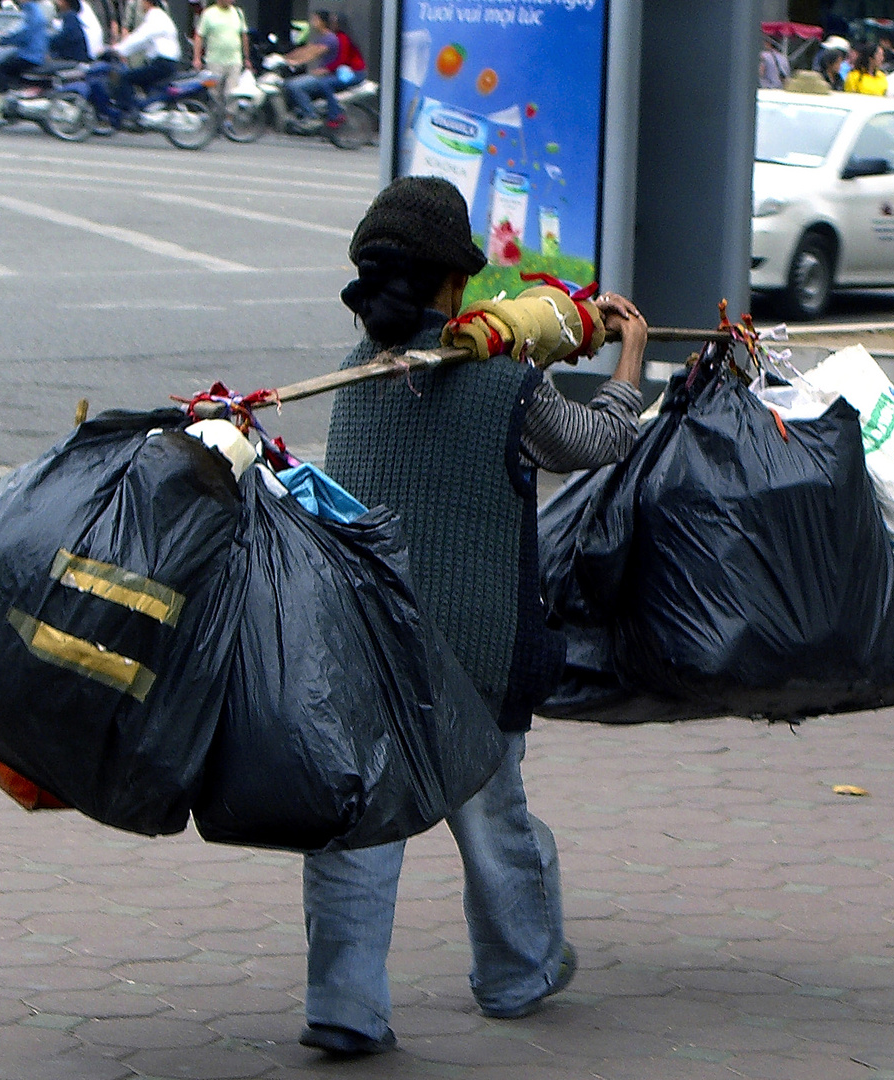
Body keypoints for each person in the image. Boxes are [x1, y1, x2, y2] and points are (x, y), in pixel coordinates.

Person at [298, 175, 648, 1057]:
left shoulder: (352, 376)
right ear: (453, 287)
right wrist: (630, 364)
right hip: (475, 657)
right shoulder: (499, 389)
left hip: (366, 650)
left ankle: (345, 1007)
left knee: (359, 832)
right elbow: (595, 446)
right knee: (493, 817)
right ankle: (518, 972)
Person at [90, 0, 179, 127]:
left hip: (162, 63)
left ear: (148, 3)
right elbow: (141, 42)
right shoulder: (159, 17)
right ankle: (142, 111)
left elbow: (139, 38)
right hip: (162, 62)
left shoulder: (156, 18)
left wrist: (117, 50)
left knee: (125, 77)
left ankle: (130, 112)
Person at [282, 8, 343, 128]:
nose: (312, 21)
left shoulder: (330, 39)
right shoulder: (321, 37)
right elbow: (305, 50)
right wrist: (283, 57)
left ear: (323, 22)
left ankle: (310, 115)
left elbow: (313, 54)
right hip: (320, 74)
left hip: (327, 76)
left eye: (315, 19)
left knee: (293, 85)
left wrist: (295, 62)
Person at [191, 0, 248, 105]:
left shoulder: (238, 13)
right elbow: (199, 36)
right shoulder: (208, 13)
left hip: (235, 61)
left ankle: (230, 119)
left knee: (232, 94)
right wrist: (197, 58)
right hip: (214, 61)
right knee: (214, 94)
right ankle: (214, 117)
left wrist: (247, 58)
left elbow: (243, 35)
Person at [0, 0, 49, 92]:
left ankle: (5, 96)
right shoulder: (34, 10)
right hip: (35, 54)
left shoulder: (30, 10)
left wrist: (2, 40)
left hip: (29, 56)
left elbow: (24, 34)